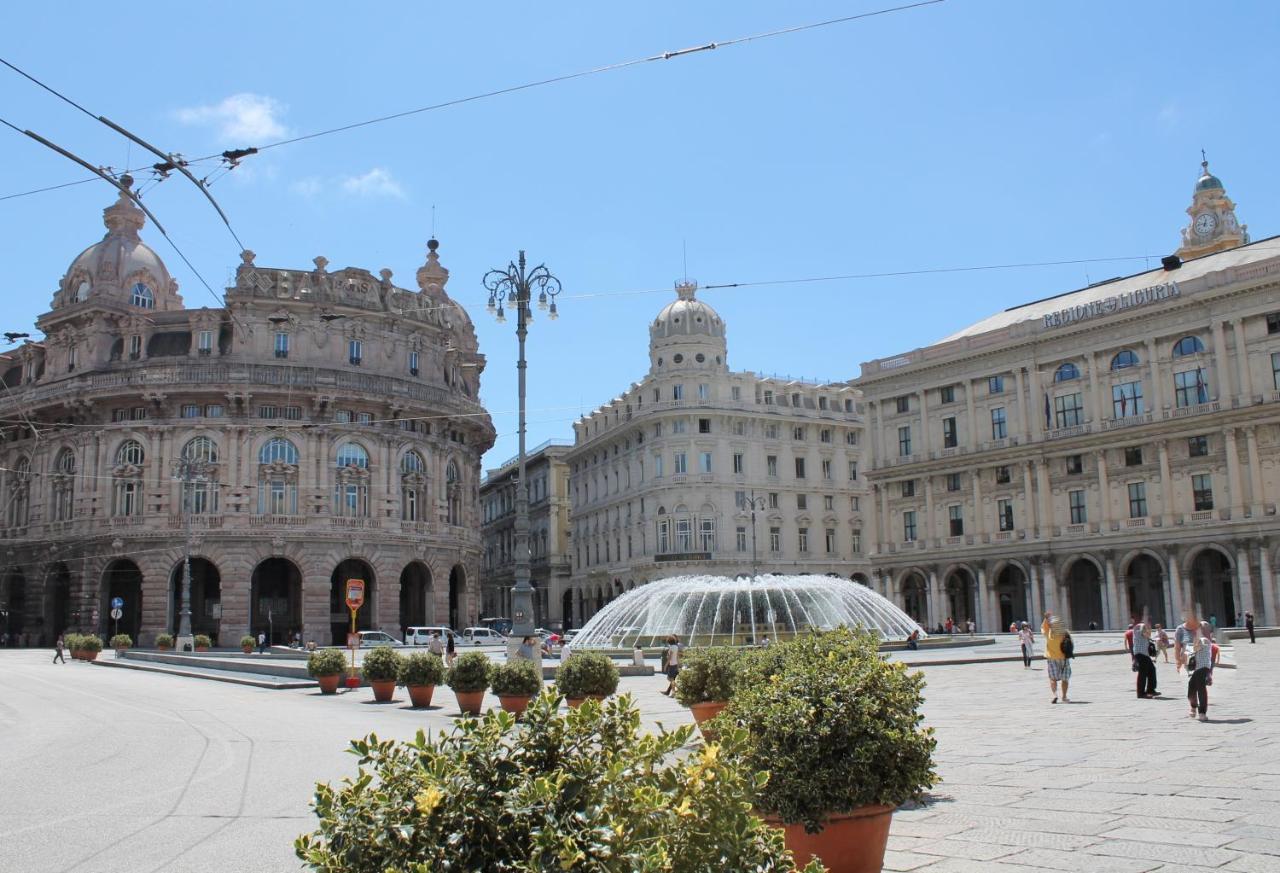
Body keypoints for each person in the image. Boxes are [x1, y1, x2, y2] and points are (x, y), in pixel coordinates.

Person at [1043, 618, 1071, 703]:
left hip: (1052, 659)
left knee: (1052, 678)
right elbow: (1070, 645)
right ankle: (1064, 697)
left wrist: (1046, 619)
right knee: (1065, 678)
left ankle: (1054, 695)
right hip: (1064, 658)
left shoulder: (1049, 633)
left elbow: (1044, 627)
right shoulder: (1065, 634)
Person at [1131, 622, 1158, 699]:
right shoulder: (1138, 629)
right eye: (1147, 628)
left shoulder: (1142, 630)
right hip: (1140, 654)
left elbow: (1148, 635)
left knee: (1152, 670)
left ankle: (1150, 690)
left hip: (1145, 654)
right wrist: (1147, 628)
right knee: (1143, 673)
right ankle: (1140, 693)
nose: (1149, 629)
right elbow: (1147, 634)